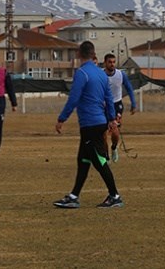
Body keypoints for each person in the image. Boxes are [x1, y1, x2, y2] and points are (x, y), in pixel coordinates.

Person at [53, 41, 123, 209]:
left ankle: (115, 196)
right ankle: (74, 196)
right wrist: (112, 119)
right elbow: (108, 98)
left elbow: (74, 98)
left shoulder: (82, 73)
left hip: (90, 124)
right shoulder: (101, 74)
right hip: (98, 123)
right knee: (83, 160)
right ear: (93, 54)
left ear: (79, 54)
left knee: (99, 161)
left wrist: (62, 118)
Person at [103, 53, 137, 163]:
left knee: (115, 131)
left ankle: (113, 148)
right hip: (103, 106)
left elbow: (129, 88)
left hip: (116, 105)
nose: (112, 64)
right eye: (110, 62)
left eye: (113, 62)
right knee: (103, 133)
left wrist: (133, 103)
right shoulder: (101, 75)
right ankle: (106, 155)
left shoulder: (120, 74)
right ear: (105, 63)